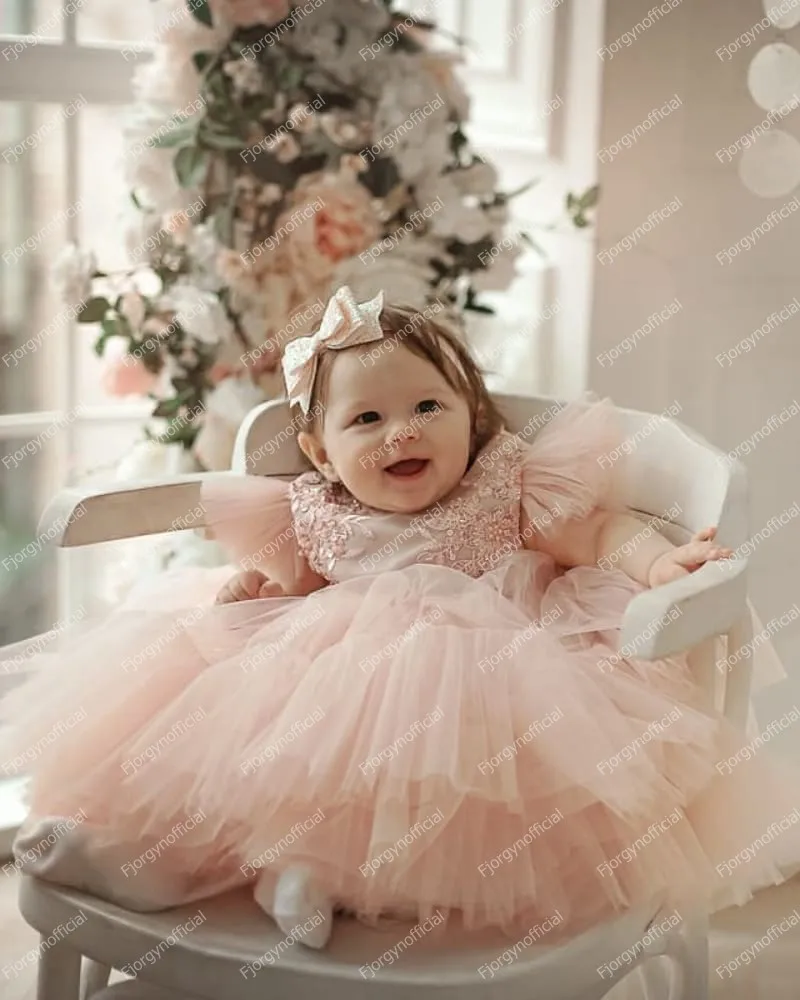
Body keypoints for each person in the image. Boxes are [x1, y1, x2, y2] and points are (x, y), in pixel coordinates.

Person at [1, 285, 798, 953]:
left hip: (481, 683)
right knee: (234, 729)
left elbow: (595, 533)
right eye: (367, 421)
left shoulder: (505, 487)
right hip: (330, 666)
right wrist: (253, 590)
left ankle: (310, 873)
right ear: (319, 454)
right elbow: (298, 584)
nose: (403, 431)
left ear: (473, 416)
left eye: (427, 406)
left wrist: (657, 564)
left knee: (383, 776)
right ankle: (143, 857)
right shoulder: (315, 510)